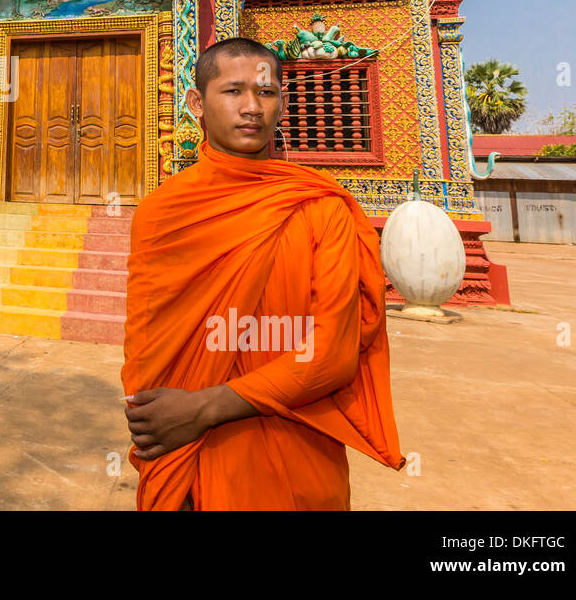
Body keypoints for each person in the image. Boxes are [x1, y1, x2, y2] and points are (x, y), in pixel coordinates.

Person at [121, 36, 404, 510]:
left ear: (281, 102)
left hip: (298, 450)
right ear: (197, 103)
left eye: (266, 92)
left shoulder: (320, 207)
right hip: (189, 460)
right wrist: (172, 426)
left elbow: (332, 356)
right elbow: (149, 358)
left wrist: (203, 408)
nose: (251, 107)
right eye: (233, 92)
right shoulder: (163, 212)